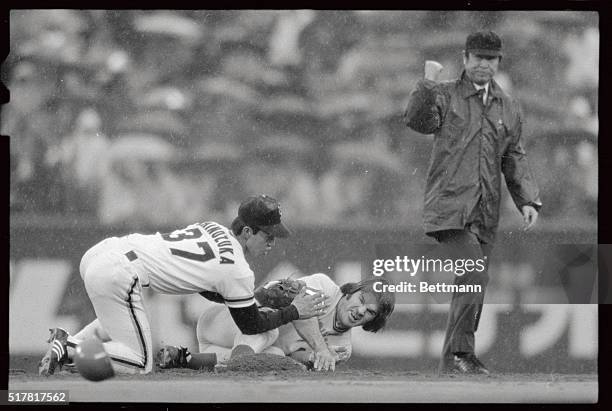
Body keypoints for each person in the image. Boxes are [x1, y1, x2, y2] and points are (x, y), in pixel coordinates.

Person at [38, 194, 329, 376]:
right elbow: (251, 325)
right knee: (139, 363)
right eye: (268, 236)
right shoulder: (238, 270)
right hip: (119, 272)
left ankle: (66, 341)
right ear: (249, 231)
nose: (272, 243)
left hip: (103, 252)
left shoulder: (212, 226)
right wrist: (294, 310)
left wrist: (257, 296)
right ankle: (70, 347)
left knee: (116, 321)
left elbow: (203, 283)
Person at [403, 31, 542, 374]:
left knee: (470, 282)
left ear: (499, 62)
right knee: (474, 274)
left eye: (490, 58)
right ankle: (461, 354)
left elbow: (514, 156)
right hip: (449, 207)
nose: (483, 64)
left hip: (485, 210)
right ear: (464, 58)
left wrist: (527, 199)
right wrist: (426, 83)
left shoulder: (507, 106)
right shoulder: (445, 92)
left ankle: (450, 363)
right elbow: (418, 121)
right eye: (477, 57)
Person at [157, 274, 395, 372]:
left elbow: (295, 357)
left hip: (229, 349)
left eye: (370, 312)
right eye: (361, 300)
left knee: (274, 356)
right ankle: (237, 369)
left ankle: (183, 358)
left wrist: (312, 358)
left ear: (373, 321)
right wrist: (321, 348)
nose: (360, 311)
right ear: (351, 291)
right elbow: (299, 309)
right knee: (268, 329)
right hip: (221, 323)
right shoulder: (324, 286)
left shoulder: (344, 348)